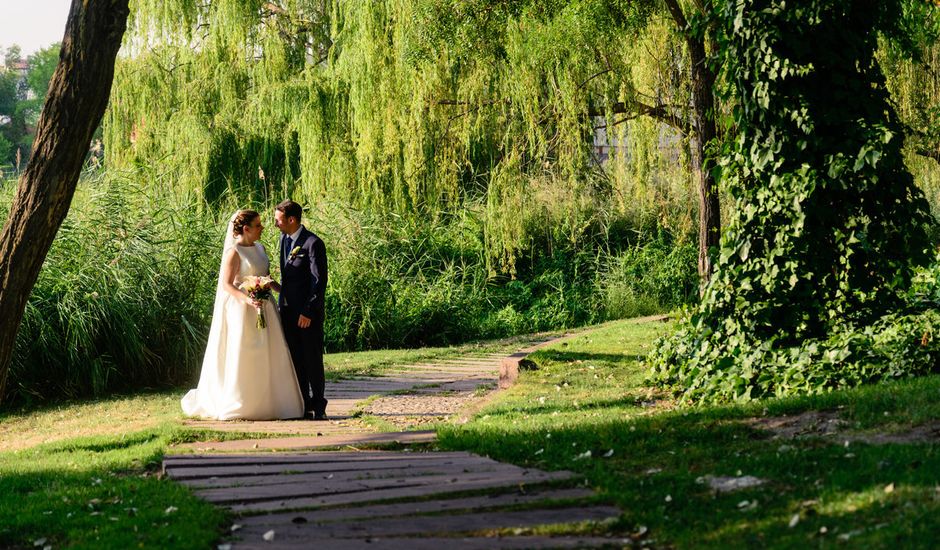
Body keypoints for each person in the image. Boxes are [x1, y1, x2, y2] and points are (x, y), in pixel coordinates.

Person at [181, 209, 305, 420]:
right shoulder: (234, 252)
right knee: (245, 351)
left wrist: (282, 290)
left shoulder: (260, 248)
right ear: (246, 229)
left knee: (270, 351)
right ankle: (241, 402)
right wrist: (248, 300)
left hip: (265, 304)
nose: (262, 228)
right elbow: (227, 285)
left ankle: (274, 402)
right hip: (242, 308)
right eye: (258, 225)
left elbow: (265, 277)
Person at [274, 199, 329, 420]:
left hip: (307, 315)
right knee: (296, 359)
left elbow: (319, 281)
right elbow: (289, 279)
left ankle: (319, 406)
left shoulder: (313, 243)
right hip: (287, 312)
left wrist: (308, 311)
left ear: (292, 219)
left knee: (312, 359)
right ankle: (303, 404)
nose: (275, 224)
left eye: (278, 220)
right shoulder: (284, 240)